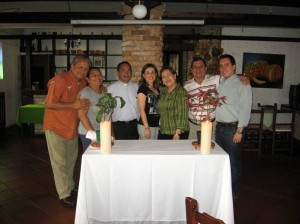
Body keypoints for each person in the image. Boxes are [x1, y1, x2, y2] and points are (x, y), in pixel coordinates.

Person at [43, 55, 92, 207]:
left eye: (86, 69)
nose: (83, 71)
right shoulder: (59, 80)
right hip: (55, 126)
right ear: (72, 67)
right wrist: (73, 105)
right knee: (59, 162)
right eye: (80, 67)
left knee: (71, 160)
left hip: (72, 127)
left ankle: (70, 187)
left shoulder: (83, 82)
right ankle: (64, 193)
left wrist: (101, 87)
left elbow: (92, 85)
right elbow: (49, 104)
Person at [184, 56, 249, 140]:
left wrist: (242, 77)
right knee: (192, 150)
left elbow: (230, 76)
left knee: (212, 150)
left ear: (206, 69)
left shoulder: (216, 79)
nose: (198, 69)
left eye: (201, 66)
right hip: (193, 126)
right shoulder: (186, 85)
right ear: (191, 70)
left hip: (211, 126)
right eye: (195, 67)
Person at [215, 54, 252, 200]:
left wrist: (240, 130)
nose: (223, 68)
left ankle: (233, 192)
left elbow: (246, 107)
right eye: (221, 65)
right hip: (220, 128)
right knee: (222, 161)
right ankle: (224, 190)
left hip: (233, 129)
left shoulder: (242, 83)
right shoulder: (222, 82)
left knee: (234, 162)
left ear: (234, 66)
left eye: (227, 65)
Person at [107, 61, 139, 140]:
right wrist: (111, 131)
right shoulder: (110, 89)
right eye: (123, 70)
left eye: (129, 70)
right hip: (118, 127)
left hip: (134, 126)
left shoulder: (137, 88)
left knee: (134, 150)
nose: (126, 73)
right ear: (118, 73)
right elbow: (107, 113)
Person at [78, 67, 107, 151]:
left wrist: (111, 134)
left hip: (103, 132)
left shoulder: (104, 93)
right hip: (89, 133)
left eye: (99, 75)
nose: (98, 77)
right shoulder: (86, 93)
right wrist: (94, 136)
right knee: (92, 159)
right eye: (94, 75)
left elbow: (107, 115)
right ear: (87, 79)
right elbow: (82, 115)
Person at [158, 66, 189, 140]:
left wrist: (177, 133)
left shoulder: (181, 92)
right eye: (164, 77)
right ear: (162, 80)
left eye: (169, 75)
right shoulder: (163, 91)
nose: (167, 78)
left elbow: (182, 114)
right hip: (163, 131)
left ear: (174, 76)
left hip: (176, 134)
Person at [137, 63, 160, 139]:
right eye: (147, 73)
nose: (150, 75)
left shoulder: (157, 89)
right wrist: (147, 128)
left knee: (154, 149)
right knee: (147, 150)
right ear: (143, 75)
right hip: (146, 126)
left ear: (156, 74)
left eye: (152, 72)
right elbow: (141, 110)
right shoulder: (142, 89)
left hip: (156, 125)